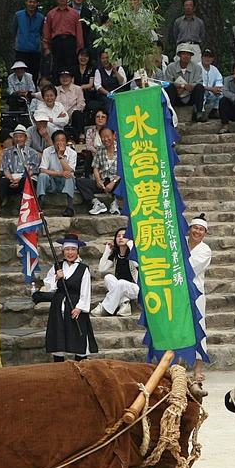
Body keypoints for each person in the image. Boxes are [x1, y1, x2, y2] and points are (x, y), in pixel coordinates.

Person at [34, 232, 97, 360]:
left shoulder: (83, 269)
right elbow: (49, 285)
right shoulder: (57, 267)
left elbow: (85, 290)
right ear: (63, 251)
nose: (70, 252)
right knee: (59, 337)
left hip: (75, 305)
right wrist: (57, 277)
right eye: (67, 249)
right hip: (59, 306)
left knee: (78, 337)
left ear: (77, 251)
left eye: (73, 249)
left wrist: (80, 307)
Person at [93, 227, 138, 317]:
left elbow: (136, 264)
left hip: (135, 288)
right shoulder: (116, 255)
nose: (121, 238)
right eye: (118, 236)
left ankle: (105, 308)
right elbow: (102, 268)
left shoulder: (134, 253)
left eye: (124, 236)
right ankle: (124, 303)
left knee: (121, 283)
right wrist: (107, 251)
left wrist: (131, 245)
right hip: (120, 287)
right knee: (108, 277)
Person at [187, 215, 211, 380]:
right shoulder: (179, 245)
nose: (197, 231)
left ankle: (197, 369)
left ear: (205, 232)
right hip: (176, 291)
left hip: (195, 293)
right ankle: (174, 365)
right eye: (194, 228)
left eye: (200, 229)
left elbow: (190, 267)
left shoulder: (205, 250)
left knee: (198, 327)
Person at [44, 0, 84, 82]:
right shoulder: (51, 14)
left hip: (70, 42)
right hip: (56, 42)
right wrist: (46, 47)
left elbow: (79, 32)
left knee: (71, 67)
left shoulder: (74, 14)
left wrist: (80, 48)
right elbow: (47, 32)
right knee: (56, 68)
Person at [38, 129, 77, 216]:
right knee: (42, 176)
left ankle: (70, 207)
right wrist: (59, 173)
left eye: (63, 140)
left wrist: (60, 156)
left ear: (66, 142)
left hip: (64, 182)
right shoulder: (47, 151)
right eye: (58, 140)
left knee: (70, 176)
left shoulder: (72, 153)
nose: (60, 143)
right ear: (53, 142)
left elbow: (69, 170)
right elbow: (42, 169)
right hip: (51, 181)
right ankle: (40, 202)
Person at [82, 126, 120, 215]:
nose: (105, 139)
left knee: (124, 181)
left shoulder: (121, 149)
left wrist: (113, 182)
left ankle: (116, 203)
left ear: (114, 135)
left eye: (108, 136)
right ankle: (97, 203)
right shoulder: (100, 149)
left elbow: (124, 170)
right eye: (103, 136)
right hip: (103, 182)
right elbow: (95, 167)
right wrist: (98, 180)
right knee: (80, 182)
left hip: (116, 181)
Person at [164, 44, 207, 123]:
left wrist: (186, 88)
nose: (186, 56)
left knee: (200, 87)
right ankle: (170, 113)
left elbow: (198, 81)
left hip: (190, 95)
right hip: (176, 95)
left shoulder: (197, 67)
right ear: (179, 55)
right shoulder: (171, 67)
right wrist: (181, 86)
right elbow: (167, 82)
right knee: (170, 87)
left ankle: (199, 113)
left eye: (188, 54)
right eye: (184, 54)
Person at [0, 125, 38, 206]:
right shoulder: (7, 152)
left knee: (27, 181)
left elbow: (33, 170)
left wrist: (19, 180)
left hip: (25, 177)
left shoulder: (33, 152)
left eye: (21, 137)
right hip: (11, 177)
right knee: (2, 181)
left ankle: (26, 206)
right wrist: (11, 179)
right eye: (16, 137)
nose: (18, 139)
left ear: (26, 138)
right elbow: (5, 169)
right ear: (13, 139)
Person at [14, 0, 45, 80]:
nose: (32, 4)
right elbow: (14, 30)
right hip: (21, 50)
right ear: (26, 2)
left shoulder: (41, 17)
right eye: (30, 2)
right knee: (20, 76)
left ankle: (32, 93)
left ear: (37, 4)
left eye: (34, 2)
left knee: (33, 76)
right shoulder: (18, 15)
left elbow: (42, 32)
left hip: (35, 51)